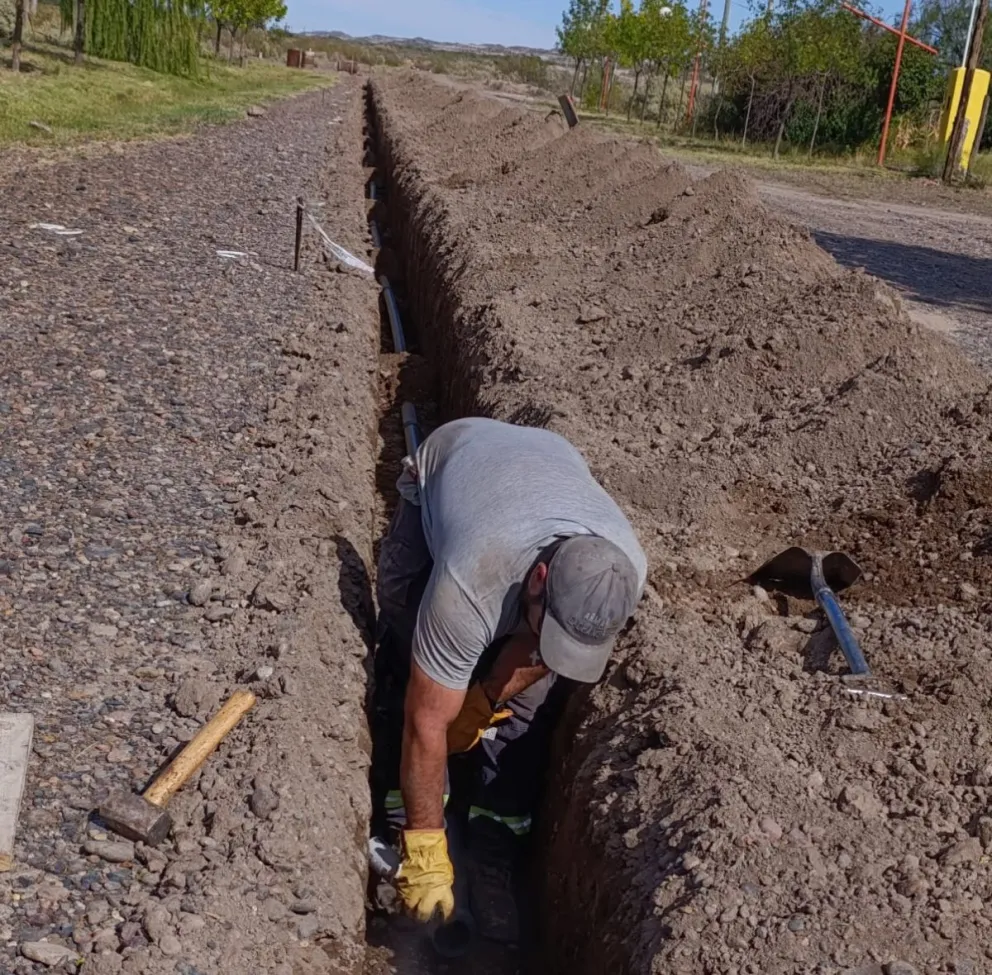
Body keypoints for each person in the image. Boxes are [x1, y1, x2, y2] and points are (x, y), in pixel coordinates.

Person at [370, 416, 647, 943]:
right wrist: (427, 847)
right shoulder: (471, 580)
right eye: (552, 627)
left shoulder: (623, 571)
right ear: (540, 579)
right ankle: (403, 815)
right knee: (409, 642)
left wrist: (488, 697)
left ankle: (493, 832)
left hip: (548, 463)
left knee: (529, 705)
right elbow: (427, 722)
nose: (557, 644)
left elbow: (554, 648)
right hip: (456, 457)